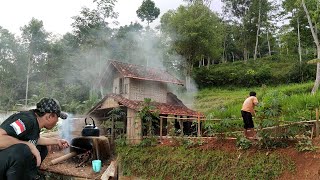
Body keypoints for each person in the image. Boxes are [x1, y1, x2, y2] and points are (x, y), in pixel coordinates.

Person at [0, 97, 70, 180]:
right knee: (24, 149)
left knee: (43, 147)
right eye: (57, 117)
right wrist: (29, 145)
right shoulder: (26, 120)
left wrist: (56, 141)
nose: (57, 121)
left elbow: (34, 139)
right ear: (49, 117)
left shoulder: (35, 122)